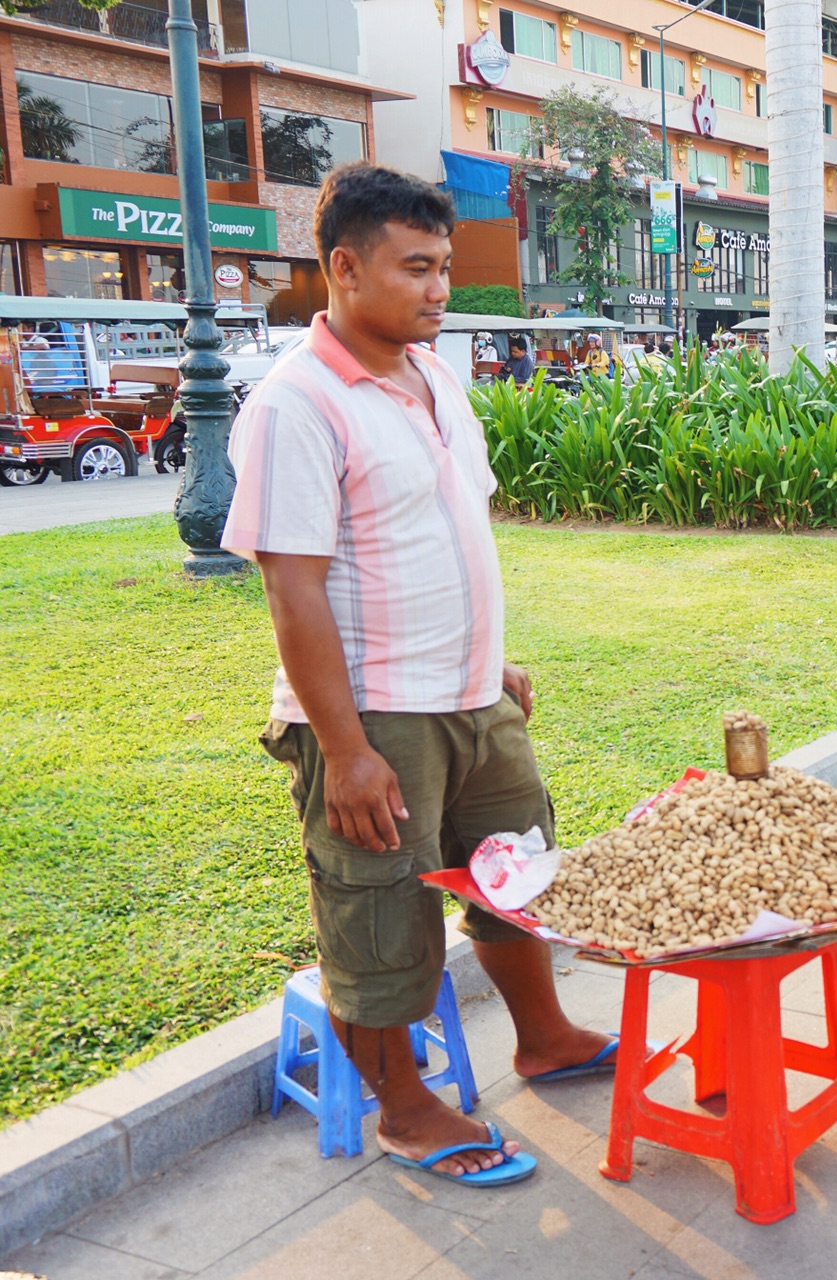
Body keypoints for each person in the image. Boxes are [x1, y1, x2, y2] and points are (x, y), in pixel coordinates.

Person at [221, 163, 617, 1187]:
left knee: (516, 876)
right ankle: (404, 1107)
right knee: (382, 912)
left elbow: (451, 529)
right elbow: (293, 590)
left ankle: (546, 1037)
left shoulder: (435, 376)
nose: (440, 288)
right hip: (374, 718)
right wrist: (345, 751)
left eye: (444, 267)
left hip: (472, 697)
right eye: (417, 268)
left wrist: (492, 661)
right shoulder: (294, 405)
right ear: (343, 269)